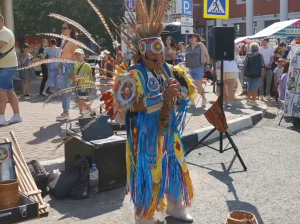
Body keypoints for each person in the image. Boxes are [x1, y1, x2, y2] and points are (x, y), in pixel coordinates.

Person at [112, 2, 197, 223]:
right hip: (146, 134)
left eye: (162, 55)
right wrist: (163, 97)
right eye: (155, 57)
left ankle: (176, 207)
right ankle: (146, 215)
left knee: (176, 165)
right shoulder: (132, 74)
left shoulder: (169, 69)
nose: (160, 60)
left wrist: (180, 92)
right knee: (149, 173)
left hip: (169, 130)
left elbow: (185, 93)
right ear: (143, 53)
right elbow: (129, 105)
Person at [0, 14, 22, 125]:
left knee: (0, 90)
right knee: (9, 90)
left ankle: (1, 117)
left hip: (7, 67)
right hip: (4, 66)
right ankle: (17, 115)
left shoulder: (5, 33)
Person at [56, 23, 78, 121]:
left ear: (70, 30)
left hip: (69, 67)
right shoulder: (64, 41)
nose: (62, 29)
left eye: (65, 28)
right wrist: (59, 66)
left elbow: (76, 56)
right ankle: (65, 111)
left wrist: (74, 70)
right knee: (64, 90)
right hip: (63, 66)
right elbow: (62, 55)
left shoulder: (72, 42)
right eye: (62, 27)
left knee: (65, 90)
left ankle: (66, 112)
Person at [185, 33, 210, 107]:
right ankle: (192, 100)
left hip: (198, 67)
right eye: (190, 38)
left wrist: (208, 64)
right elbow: (186, 57)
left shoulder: (200, 45)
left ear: (196, 38)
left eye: (193, 37)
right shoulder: (187, 47)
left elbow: (207, 55)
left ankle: (204, 98)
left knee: (199, 86)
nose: (191, 39)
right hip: (189, 68)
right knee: (190, 85)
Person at [70, 48, 95, 117]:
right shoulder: (75, 66)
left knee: (80, 100)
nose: (78, 57)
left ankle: (91, 110)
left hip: (85, 86)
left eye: (79, 55)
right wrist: (73, 79)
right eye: (76, 55)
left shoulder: (87, 65)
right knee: (80, 101)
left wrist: (92, 84)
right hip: (78, 86)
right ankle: (81, 113)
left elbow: (90, 75)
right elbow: (76, 77)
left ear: (83, 56)